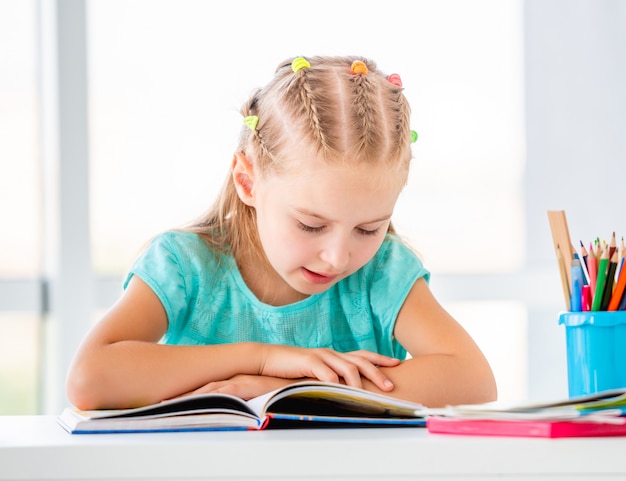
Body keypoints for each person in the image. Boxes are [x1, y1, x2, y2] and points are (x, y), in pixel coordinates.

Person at [66, 55, 497, 410]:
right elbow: (90, 379)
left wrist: (283, 392)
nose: (337, 257)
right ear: (248, 181)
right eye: (311, 225)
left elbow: (473, 381)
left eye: (368, 228)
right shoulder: (186, 265)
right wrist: (264, 359)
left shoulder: (381, 272)